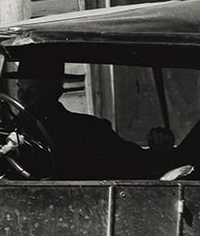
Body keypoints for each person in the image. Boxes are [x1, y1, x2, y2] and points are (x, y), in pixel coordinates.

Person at [13, 58, 157, 180]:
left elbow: (131, 160)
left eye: (32, 90)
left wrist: (159, 149)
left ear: (55, 91)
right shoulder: (8, 131)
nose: (23, 97)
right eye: (20, 88)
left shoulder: (90, 129)